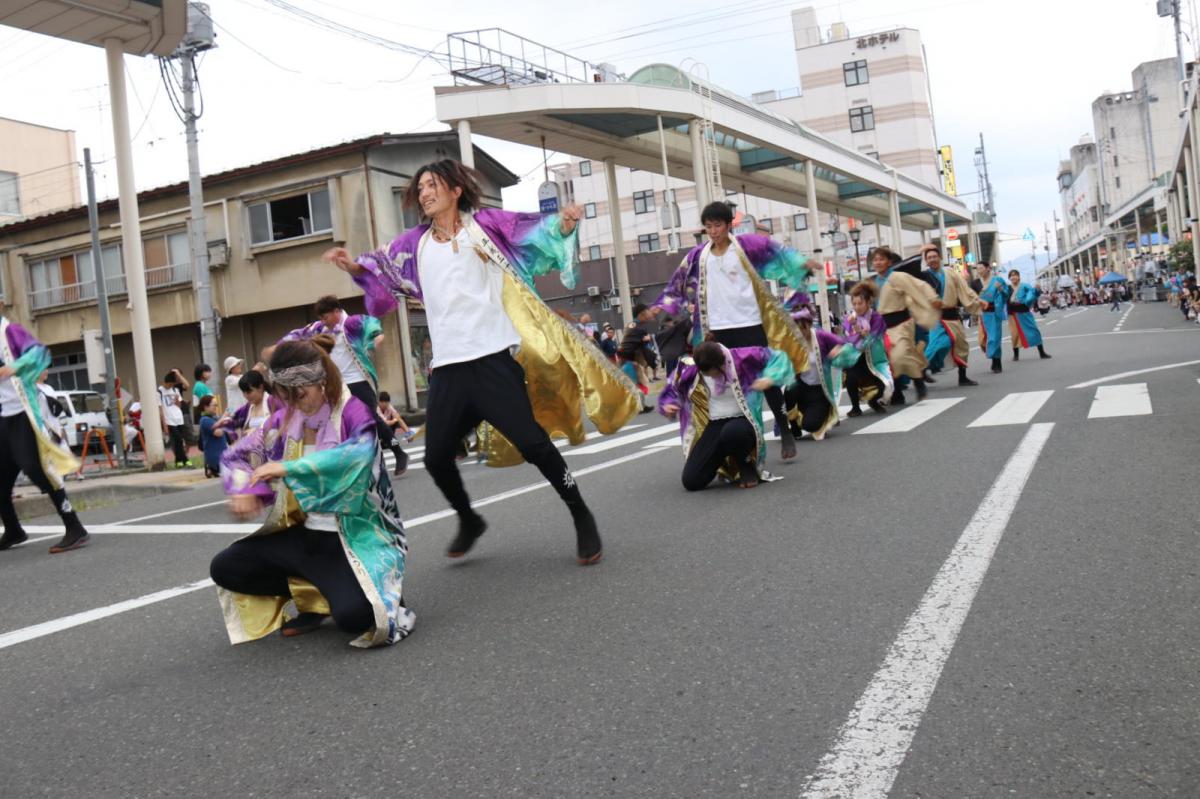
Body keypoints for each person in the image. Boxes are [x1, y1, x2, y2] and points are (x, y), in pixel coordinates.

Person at [325, 159, 639, 565]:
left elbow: (537, 235)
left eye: (432, 185)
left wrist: (563, 225)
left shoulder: (486, 227)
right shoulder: (412, 245)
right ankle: (468, 518)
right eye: (419, 188)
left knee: (533, 444)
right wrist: (352, 266)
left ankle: (580, 512)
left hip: (492, 359)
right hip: (448, 368)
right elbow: (378, 274)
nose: (424, 193)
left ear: (456, 189)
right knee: (437, 457)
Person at [210, 336, 413, 647]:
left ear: (321, 380)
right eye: (287, 395)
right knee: (226, 567)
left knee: (356, 619)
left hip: (357, 537)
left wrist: (288, 468)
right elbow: (235, 454)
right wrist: (243, 488)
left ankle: (378, 590)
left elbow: (356, 456)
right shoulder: (286, 419)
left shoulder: (352, 411)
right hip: (307, 535)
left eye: (301, 393)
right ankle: (316, 596)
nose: (295, 402)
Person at [652, 201, 812, 461]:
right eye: (709, 227)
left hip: (749, 324)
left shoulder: (744, 247)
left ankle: (783, 427)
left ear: (728, 225)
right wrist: (660, 307)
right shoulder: (698, 256)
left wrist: (800, 264)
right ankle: (738, 442)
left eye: (717, 225)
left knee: (765, 380)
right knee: (720, 383)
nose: (713, 231)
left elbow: (776, 252)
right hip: (716, 330)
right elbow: (678, 282)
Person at [274, 295, 408, 475]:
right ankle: (360, 465)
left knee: (369, 420)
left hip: (359, 380)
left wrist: (377, 337)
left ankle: (397, 452)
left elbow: (372, 325)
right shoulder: (319, 328)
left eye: (326, 316)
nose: (323, 321)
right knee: (341, 423)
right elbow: (296, 334)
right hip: (337, 384)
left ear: (337, 312)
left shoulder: (351, 323)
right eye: (321, 317)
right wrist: (280, 347)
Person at [0, 306, 90, 553]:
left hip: (23, 412)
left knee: (35, 468)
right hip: (3, 416)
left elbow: (40, 353)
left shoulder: (9, 331)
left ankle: (74, 527)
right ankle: (13, 530)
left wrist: (13, 367)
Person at [659, 339, 793, 490]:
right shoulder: (692, 368)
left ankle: (746, 466)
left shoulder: (743, 357)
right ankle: (725, 460)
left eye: (714, 373)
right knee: (692, 481)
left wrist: (770, 377)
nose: (712, 377)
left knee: (732, 432)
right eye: (707, 374)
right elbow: (673, 386)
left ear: (722, 363)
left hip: (744, 421)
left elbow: (779, 357)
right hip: (715, 423)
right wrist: (668, 403)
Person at [866, 247, 942, 405]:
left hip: (900, 323)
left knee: (900, 355)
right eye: (875, 260)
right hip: (882, 327)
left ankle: (918, 382)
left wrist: (932, 297)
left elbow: (920, 285)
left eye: (881, 259)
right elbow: (859, 292)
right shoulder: (873, 282)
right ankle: (897, 392)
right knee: (888, 361)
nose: (878, 263)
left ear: (889, 262)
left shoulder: (898, 277)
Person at [784, 297, 857, 441]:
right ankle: (793, 424)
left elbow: (845, 345)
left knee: (811, 426)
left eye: (802, 327)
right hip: (802, 387)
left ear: (809, 324)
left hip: (820, 390)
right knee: (789, 389)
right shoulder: (791, 342)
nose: (800, 332)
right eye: (796, 329)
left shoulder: (821, 336)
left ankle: (817, 416)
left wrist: (837, 351)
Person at [921, 245, 983, 386]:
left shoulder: (951, 273)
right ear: (926, 260)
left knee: (962, 346)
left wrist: (978, 300)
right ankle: (923, 369)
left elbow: (965, 290)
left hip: (953, 315)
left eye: (934, 256)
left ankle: (962, 377)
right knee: (939, 344)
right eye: (929, 258)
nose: (932, 259)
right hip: (936, 317)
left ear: (940, 258)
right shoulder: (924, 276)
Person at [841, 281, 893, 417]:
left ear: (868, 302)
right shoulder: (850, 318)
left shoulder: (876, 318)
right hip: (857, 357)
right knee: (851, 378)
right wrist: (855, 332)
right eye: (854, 304)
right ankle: (855, 407)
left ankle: (873, 401)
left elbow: (874, 339)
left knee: (883, 386)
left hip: (875, 357)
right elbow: (848, 338)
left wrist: (866, 335)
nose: (857, 307)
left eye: (860, 303)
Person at [1007, 270, 1051, 361]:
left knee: (1034, 331)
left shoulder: (1025, 286)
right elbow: (1002, 297)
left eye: (1015, 275)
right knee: (1014, 335)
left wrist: (1037, 290)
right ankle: (1016, 355)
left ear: (1019, 277)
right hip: (1013, 314)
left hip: (1024, 312)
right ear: (1009, 278)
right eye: (1011, 276)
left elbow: (1032, 293)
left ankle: (1042, 352)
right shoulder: (1008, 288)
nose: (1013, 277)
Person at [977, 263, 1011, 373]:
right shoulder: (977, 283)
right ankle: (994, 360)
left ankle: (997, 362)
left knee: (994, 338)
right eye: (977, 269)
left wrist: (1000, 288)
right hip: (982, 315)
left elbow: (1007, 295)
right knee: (984, 339)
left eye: (981, 268)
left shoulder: (998, 280)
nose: (979, 270)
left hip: (994, 313)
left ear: (988, 269)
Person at [158, 369, 193, 468]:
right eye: (170, 384)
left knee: (180, 440)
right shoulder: (160, 392)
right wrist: (164, 425)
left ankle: (178, 461)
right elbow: (160, 410)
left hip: (179, 418)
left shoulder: (175, 390)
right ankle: (185, 459)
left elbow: (179, 406)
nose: (171, 386)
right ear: (167, 382)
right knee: (177, 439)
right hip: (169, 419)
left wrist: (177, 401)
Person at [376, 390, 411, 476]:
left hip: (389, 432)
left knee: (393, 438)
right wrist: (395, 419)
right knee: (388, 425)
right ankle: (388, 443)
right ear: (379, 402)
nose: (385, 405)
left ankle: (393, 445)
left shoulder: (389, 407)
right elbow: (385, 423)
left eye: (387, 403)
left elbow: (398, 419)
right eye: (383, 403)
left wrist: (408, 432)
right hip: (380, 431)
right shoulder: (376, 409)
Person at [656, 306, 694, 377]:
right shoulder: (666, 329)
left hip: (674, 350)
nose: (671, 323)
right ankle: (670, 377)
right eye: (670, 322)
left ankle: (673, 376)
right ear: (667, 322)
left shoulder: (671, 328)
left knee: (674, 365)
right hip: (670, 351)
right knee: (671, 365)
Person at [197, 395, 227, 478]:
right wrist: (224, 419)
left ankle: (212, 469)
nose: (216, 407)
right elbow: (219, 433)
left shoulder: (214, 418)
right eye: (214, 405)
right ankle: (212, 468)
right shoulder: (205, 420)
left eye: (216, 405)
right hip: (216, 458)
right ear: (206, 407)